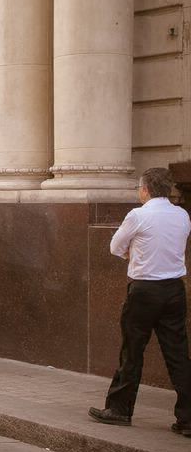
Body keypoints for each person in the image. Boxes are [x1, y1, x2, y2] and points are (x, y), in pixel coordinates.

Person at [89, 168, 191, 436]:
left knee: (132, 350)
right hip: (174, 290)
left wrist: (131, 255)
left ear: (145, 189)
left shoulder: (139, 215)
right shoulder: (182, 215)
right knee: (178, 354)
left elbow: (115, 247)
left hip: (144, 290)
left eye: (139, 188)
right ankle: (188, 418)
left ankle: (120, 409)